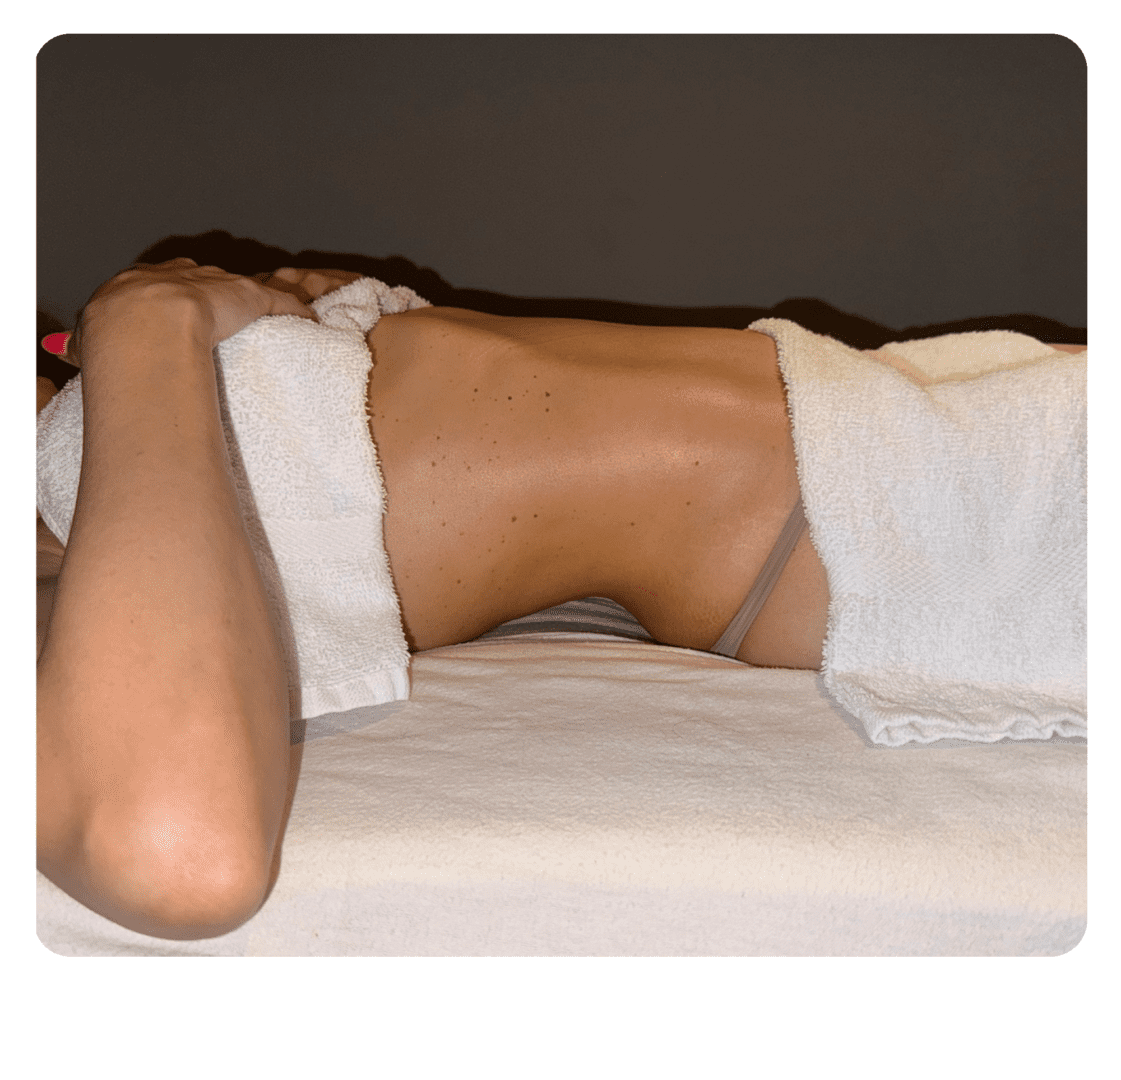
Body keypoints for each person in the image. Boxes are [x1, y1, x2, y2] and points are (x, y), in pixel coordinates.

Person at [35, 259, 1084, 940]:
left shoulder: (80, 438)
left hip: (941, 405)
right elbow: (174, 856)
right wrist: (145, 327)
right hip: (954, 513)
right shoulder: (86, 519)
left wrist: (339, 311)